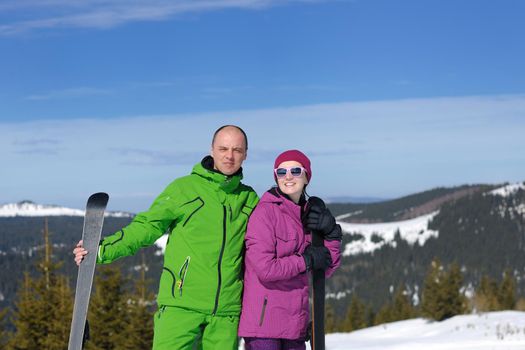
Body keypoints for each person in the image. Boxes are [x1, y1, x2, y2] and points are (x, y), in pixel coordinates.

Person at [73, 125, 259, 350]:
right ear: (212, 150)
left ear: (246, 154)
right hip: (181, 307)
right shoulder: (184, 190)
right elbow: (146, 227)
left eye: (237, 150)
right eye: (223, 148)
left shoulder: (249, 199)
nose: (229, 156)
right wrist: (101, 250)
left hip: (226, 314)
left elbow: (270, 239)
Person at [238, 150, 342, 350]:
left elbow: (325, 269)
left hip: (295, 325)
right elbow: (265, 269)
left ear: (306, 176)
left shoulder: (309, 215)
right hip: (264, 327)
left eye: (295, 170)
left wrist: (331, 234)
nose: (288, 176)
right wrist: (305, 261)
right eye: (281, 171)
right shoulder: (264, 213)